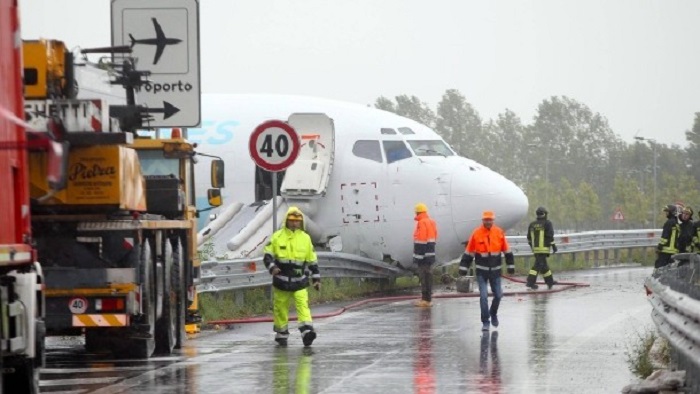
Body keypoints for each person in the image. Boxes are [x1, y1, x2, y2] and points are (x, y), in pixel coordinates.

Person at [263, 206, 321, 347]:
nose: (294, 223)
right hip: (281, 281)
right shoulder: (277, 237)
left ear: (301, 222)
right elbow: (267, 256)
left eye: (297, 221)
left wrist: (316, 279)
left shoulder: (305, 238)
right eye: (292, 220)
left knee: (303, 306)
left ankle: (307, 332)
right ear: (286, 221)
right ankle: (281, 333)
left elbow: (312, 260)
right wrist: (273, 268)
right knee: (280, 308)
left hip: (300, 280)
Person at [459, 210, 514, 331]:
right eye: (486, 220)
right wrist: (463, 268)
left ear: (493, 220)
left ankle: (493, 313)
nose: (488, 222)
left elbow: (507, 250)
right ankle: (485, 321)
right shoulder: (476, 233)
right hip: (481, 272)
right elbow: (469, 252)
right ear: (483, 220)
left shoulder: (499, 232)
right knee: (483, 296)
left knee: (498, 295)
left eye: (490, 220)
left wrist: (511, 266)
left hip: (495, 271)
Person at [526, 206, 558, 290]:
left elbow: (529, 237)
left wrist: (533, 247)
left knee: (544, 266)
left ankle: (550, 281)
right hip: (543, 249)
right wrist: (554, 246)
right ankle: (530, 282)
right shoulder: (547, 223)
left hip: (536, 250)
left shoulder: (532, 224)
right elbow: (550, 236)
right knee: (537, 266)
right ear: (544, 214)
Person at [413, 202, 438, 307]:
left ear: (417, 212)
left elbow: (421, 240)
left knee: (424, 277)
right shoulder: (431, 222)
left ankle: (425, 300)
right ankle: (428, 298)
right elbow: (434, 236)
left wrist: (418, 257)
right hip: (430, 253)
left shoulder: (421, 223)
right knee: (428, 276)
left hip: (423, 255)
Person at [655, 204, 680, 269]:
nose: (666, 213)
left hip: (666, 251)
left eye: (667, 212)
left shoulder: (668, 223)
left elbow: (664, 238)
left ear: (671, 212)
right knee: (670, 270)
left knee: (659, 269)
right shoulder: (676, 223)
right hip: (674, 252)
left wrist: (659, 247)